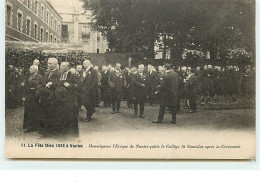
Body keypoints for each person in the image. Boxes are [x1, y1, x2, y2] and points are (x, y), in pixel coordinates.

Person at [38, 58, 61, 139]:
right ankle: (44, 132)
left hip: (53, 97)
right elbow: (43, 82)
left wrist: (52, 83)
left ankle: (51, 132)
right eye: (48, 63)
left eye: (49, 63)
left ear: (55, 64)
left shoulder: (59, 73)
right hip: (45, 97)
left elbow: (59, 83)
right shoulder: (47, 72)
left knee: (52, 115)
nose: (48, 65)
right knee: (44, 114)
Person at [57, 62, 80, 136]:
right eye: (60, 66)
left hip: (70, 99)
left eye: (62, 66)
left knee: (71, 116)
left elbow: (78, 86)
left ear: (67, 67)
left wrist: (69, 85)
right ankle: (63, 131)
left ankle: (72, 134)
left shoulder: (73, 75)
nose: (60, 67)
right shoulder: (60, 75)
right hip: (61, 98)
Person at [22, 65, 43, 132]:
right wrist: (23, 96)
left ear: (35, 70)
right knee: (27, 111)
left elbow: (41, 86)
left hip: (35, 97)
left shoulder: (40, 77)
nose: (30, 70)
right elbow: (25, 87)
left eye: (31, 69)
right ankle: (27, 126)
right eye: (30, 68)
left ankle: (33, 127)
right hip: (28, 96)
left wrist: (36, 89)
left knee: (34, 112)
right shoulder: (28, 76)